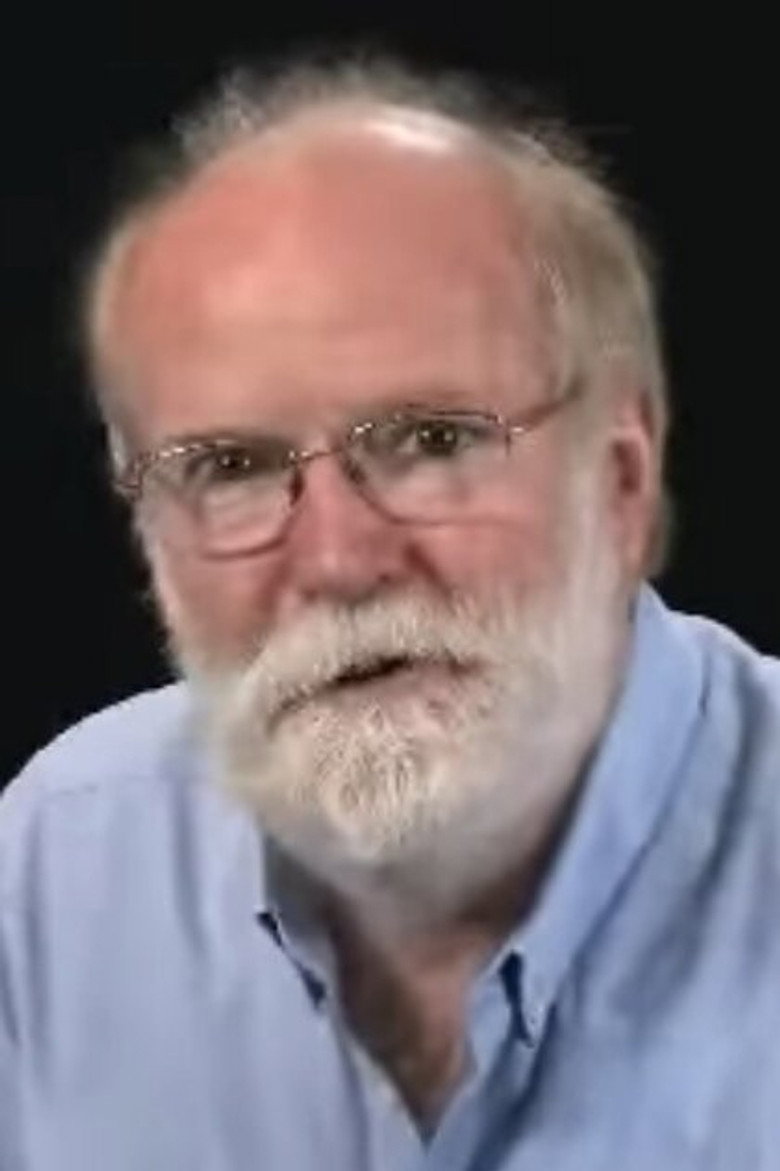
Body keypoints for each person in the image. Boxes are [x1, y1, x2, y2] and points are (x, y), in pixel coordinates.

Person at [1, 56, 778, 1171]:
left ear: (620, 477)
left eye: (431, 442)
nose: (339, 559)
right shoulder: (61, 865)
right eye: (230, 466)